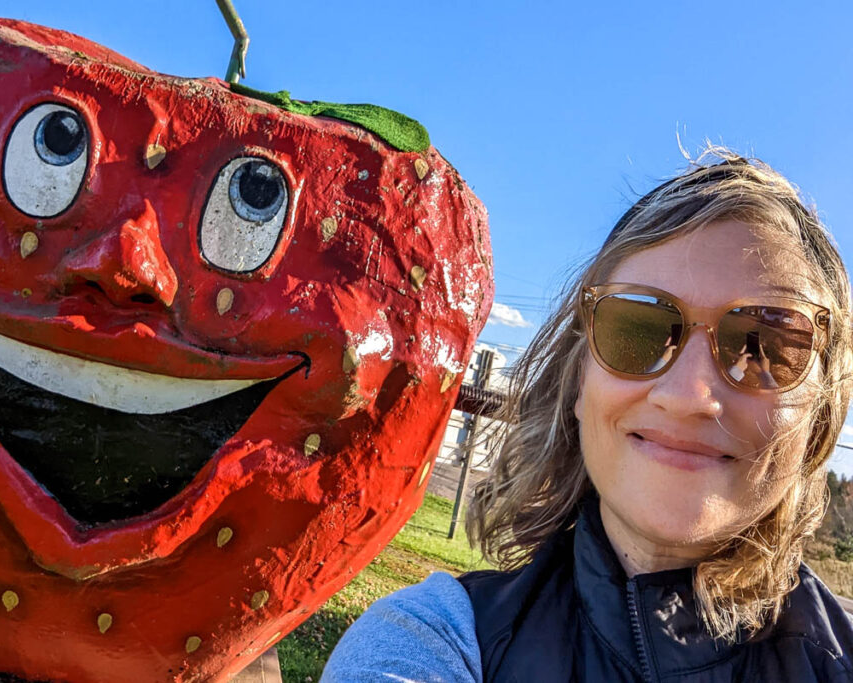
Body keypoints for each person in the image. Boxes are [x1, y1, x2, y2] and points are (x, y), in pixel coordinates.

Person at [321, 149, 853, 682]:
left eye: (763, 345)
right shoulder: (434, 642)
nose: (689, 395)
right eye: (637, 330)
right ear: (580, 383)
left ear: (818, 418)